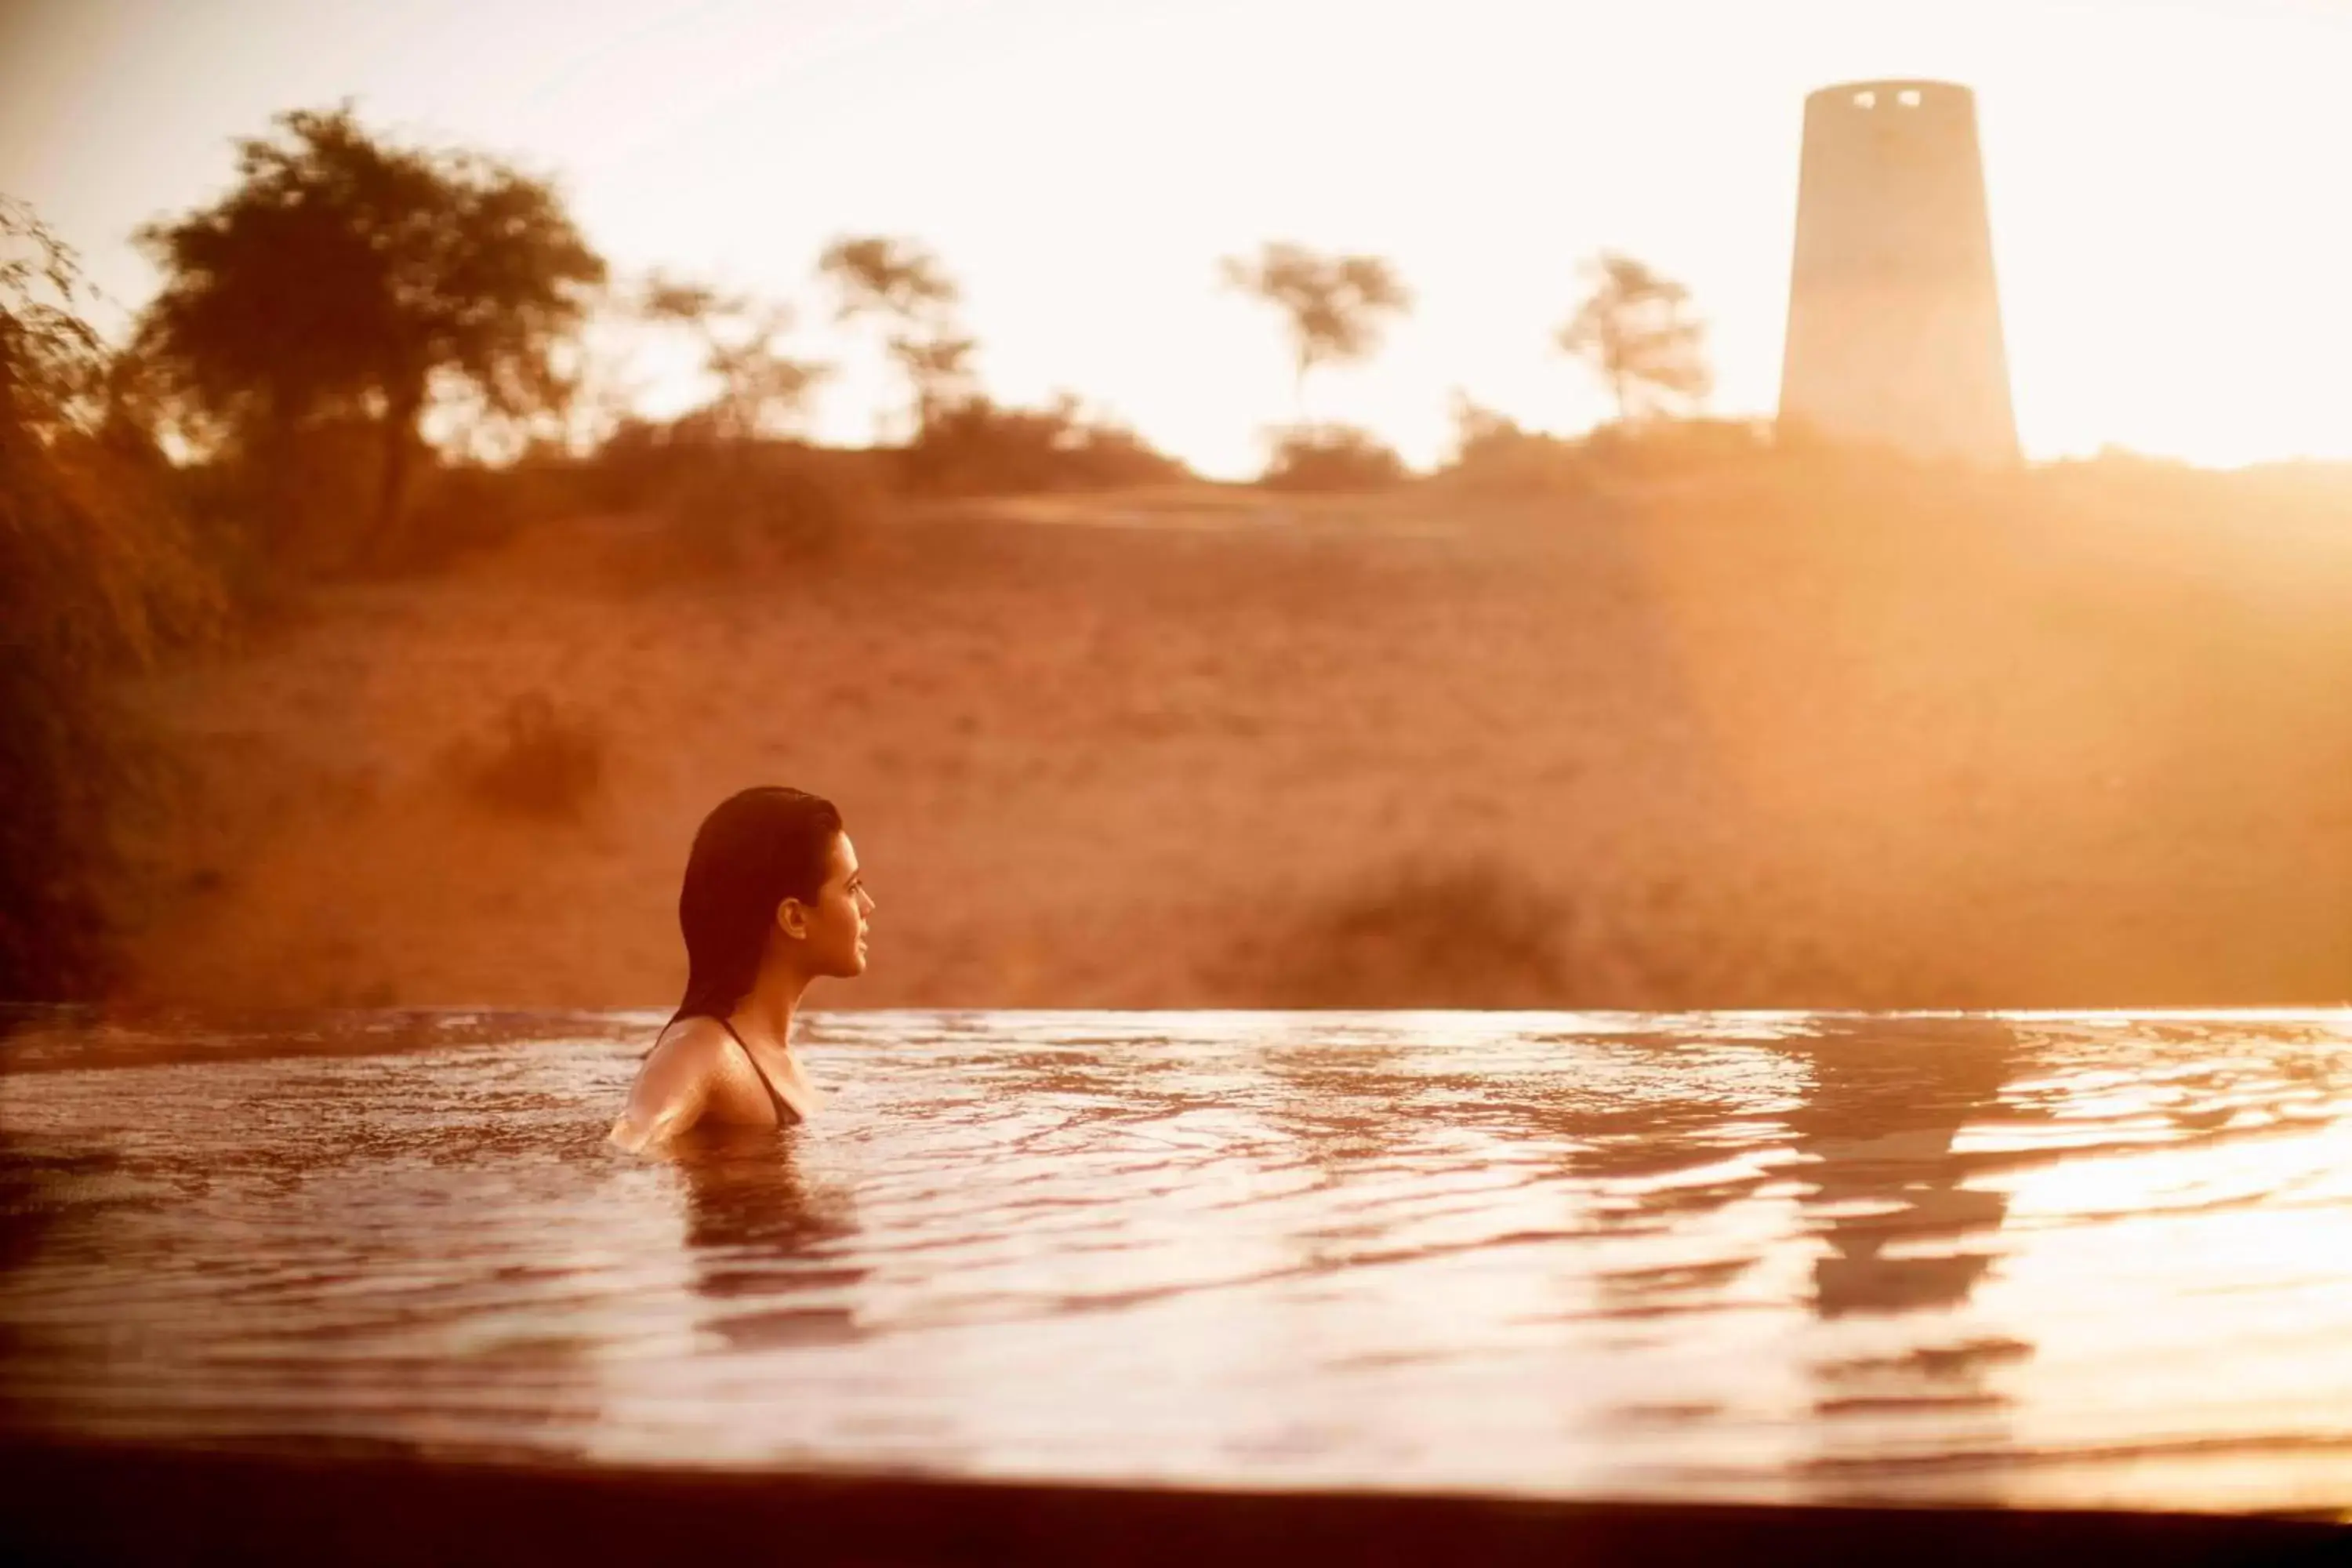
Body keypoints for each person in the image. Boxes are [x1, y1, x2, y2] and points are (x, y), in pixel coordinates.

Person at [609, 786, 873, 1152]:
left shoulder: (771, 1053)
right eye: (852, 887)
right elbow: (629, 1141)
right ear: (795, 918)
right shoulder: (702, 1050)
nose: (867, 905)